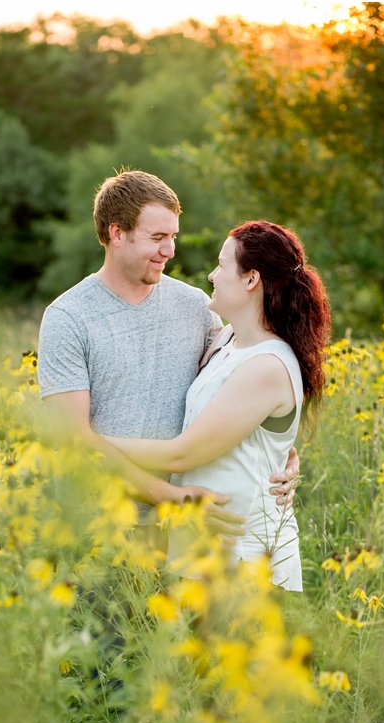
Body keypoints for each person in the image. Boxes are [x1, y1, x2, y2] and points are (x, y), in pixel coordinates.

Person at [39, 171, 298, 544]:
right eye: (158, 238)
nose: (171, 250)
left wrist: (281, 455)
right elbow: (75, 441)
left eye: (173, 236)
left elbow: (240, 388)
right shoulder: (69, 318)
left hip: (184, 535)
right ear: (117, 233)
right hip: (97, 531)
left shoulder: (195, 306)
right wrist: (175, 500)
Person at [103, 222, 331, 590]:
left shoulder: (267, 365)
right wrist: (282, 453)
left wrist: (89, 442)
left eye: (222, 266)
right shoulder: (226, 339)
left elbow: (181, 455)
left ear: (251, 279)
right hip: (203, 557)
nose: (211, 274)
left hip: (247, 563)